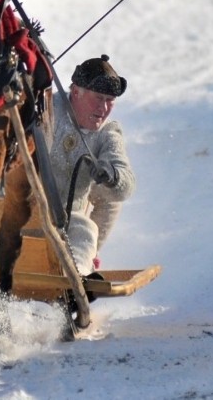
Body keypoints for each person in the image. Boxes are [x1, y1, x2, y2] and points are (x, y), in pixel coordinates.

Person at [50, 54, 136, 276]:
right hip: (23, 205)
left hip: (68, 220)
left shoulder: (108, 132)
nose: (104, 108)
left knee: (88, 228)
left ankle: (77, 279)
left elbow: (127, 185)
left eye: (110, 101)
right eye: (99, 98)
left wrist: (111, 177)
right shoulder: (47, 107)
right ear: (76, 92)